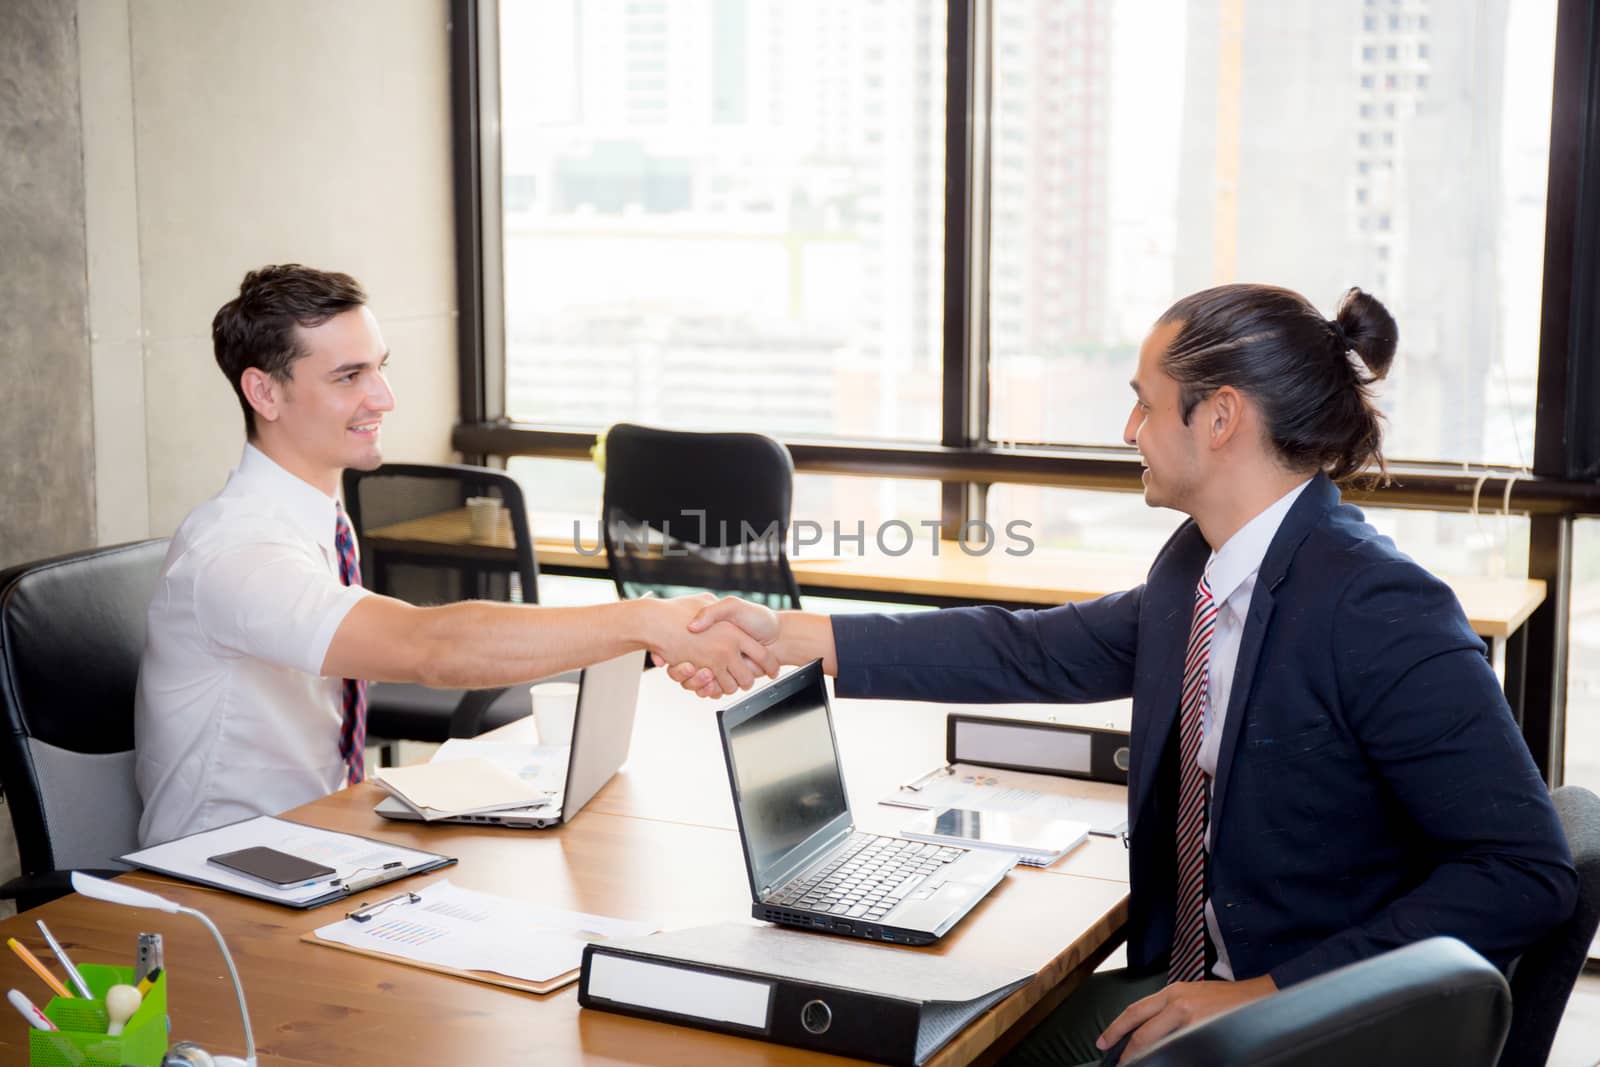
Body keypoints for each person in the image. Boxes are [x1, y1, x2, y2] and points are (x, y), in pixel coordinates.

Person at [665, 284, 1578, 1064]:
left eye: (1146, 402)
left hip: (1317, 1012)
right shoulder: (1202, 565)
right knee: (956, 1026)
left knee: (959, 1042)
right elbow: (1032, 647)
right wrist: (785, 633)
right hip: (1200, 974)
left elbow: (1525, 873)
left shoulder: (1377, 607)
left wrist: (1261, 990)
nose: (1129, 428)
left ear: (1220, 418)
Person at [134, 265, 775, 847]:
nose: (383, 398)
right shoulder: (237, 552)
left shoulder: (315, 517)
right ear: (265, 394)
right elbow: (431, 649)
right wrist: (642, 621)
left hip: (314, 839)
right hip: (216, 874)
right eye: (349, 377)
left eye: (380, 367)